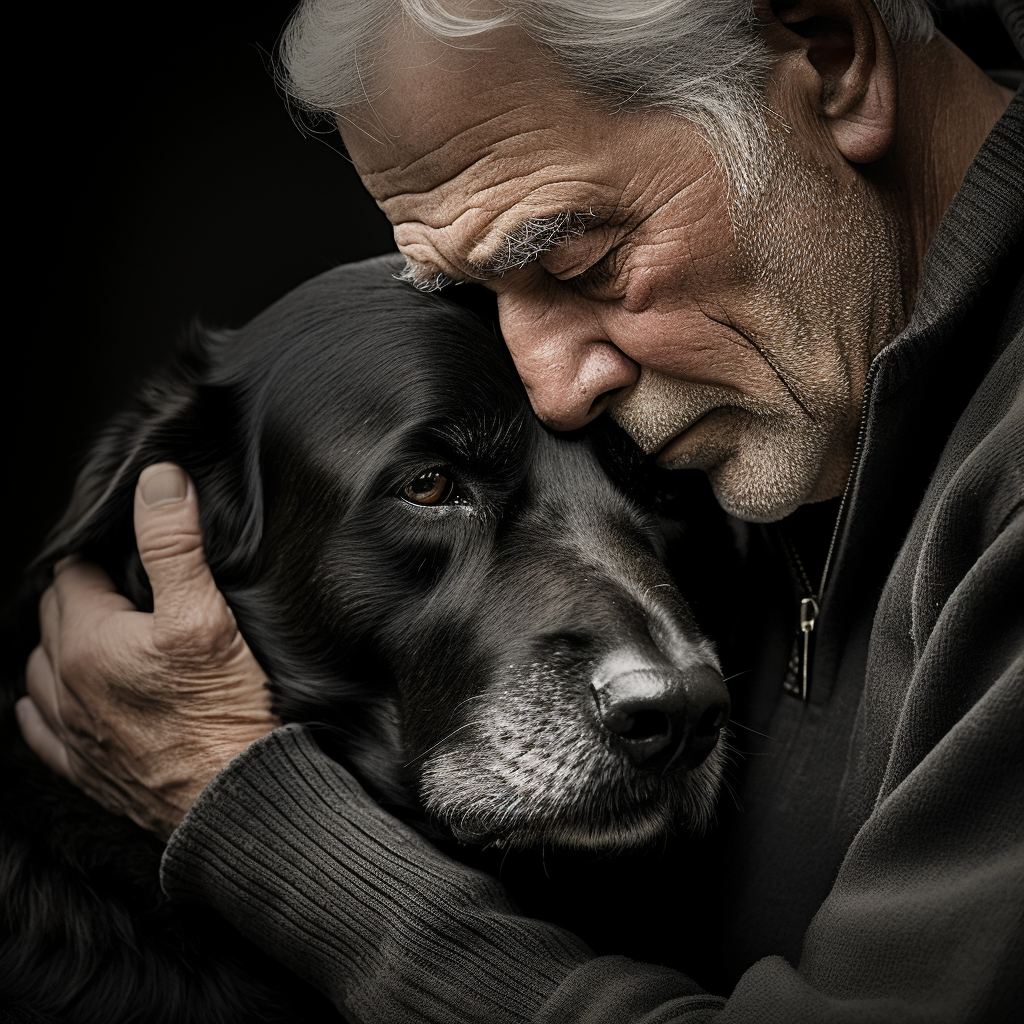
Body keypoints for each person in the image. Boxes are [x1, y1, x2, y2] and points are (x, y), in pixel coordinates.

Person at [15, 0, 1023, 1020]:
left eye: (581, 258)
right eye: (482, 290)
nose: (550, 382)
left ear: (832, 57)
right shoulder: (786, 386)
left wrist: (258, 823)